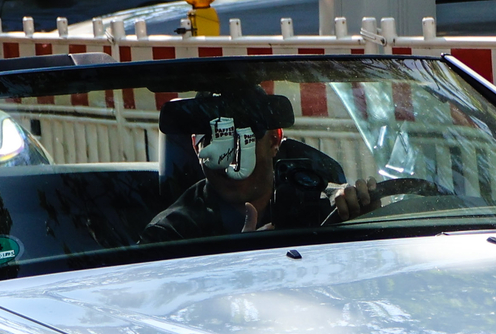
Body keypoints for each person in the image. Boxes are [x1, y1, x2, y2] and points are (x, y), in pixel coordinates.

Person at [143, 87, 381, 242]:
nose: (231, 160)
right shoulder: (170, 236)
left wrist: (367, 220)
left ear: (274, 140)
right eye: (215, 142)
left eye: (243, 140)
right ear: (197, 148)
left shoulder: (321, 205)